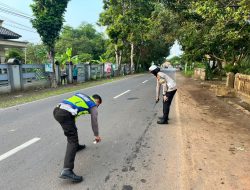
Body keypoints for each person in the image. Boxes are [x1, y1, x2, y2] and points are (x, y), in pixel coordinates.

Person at [53, 93, 102, 182]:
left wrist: (73, 127)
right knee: (72, 140)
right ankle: (67, 170)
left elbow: (73, 111)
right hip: (65, 114)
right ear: (97, 101)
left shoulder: (82, 96)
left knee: (72, 133)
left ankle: (76, 146)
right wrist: (97, 135)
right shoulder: (93, 104)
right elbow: (94, 121)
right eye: (98, 105)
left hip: (57, 110)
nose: (97, 107)